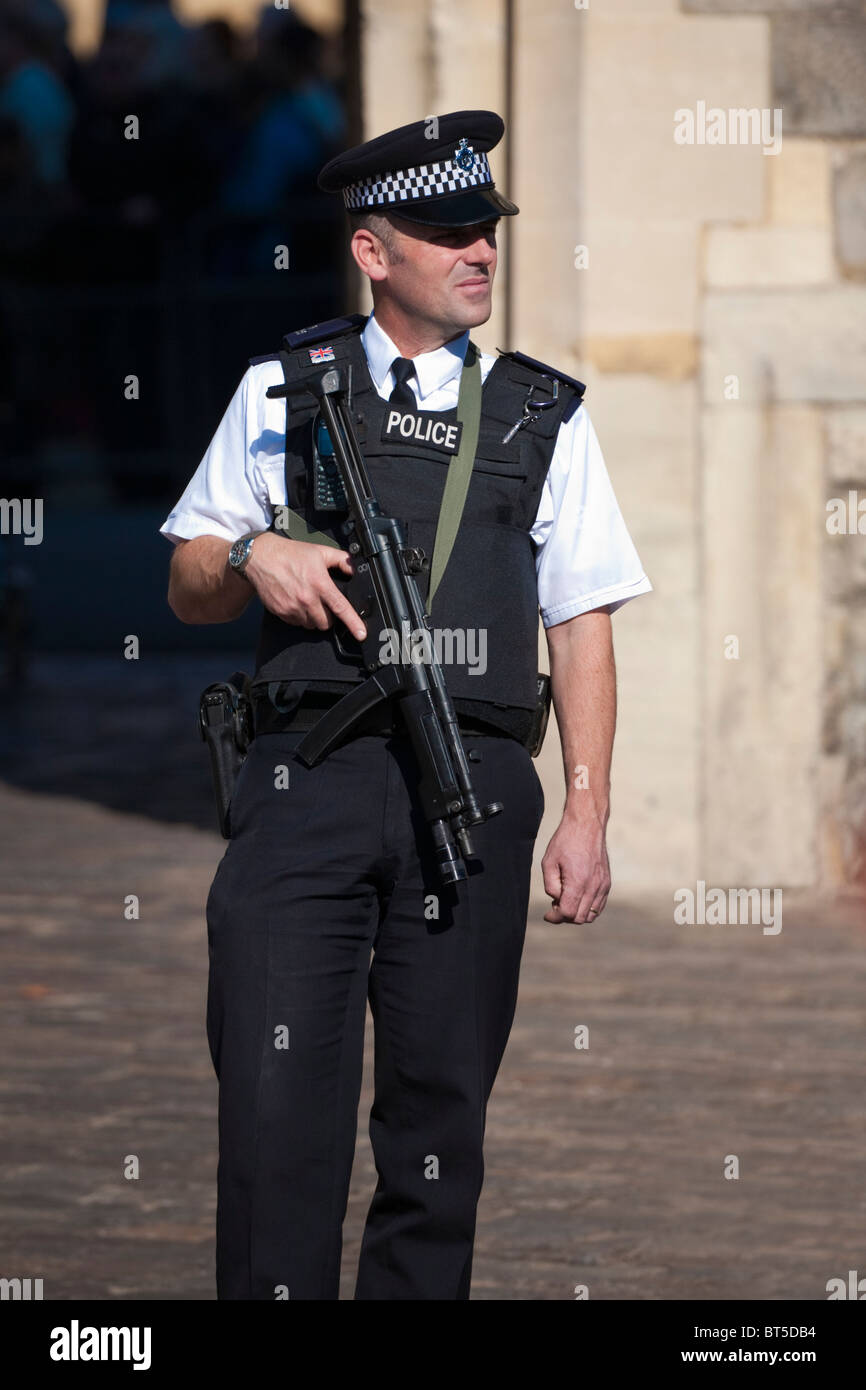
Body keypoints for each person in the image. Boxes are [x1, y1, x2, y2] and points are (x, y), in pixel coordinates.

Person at [160, 109, 652, 1300]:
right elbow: (184, 584)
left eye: (484, 226)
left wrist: (585, 807)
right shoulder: (281, 388)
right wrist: (253, 557)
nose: (477, 249)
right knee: (277, 1121)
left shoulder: (543, 415)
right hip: (304, 785)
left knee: (439, 1137)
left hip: (472, 789)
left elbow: (579, 620)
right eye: (445, 230)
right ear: (372, 252)